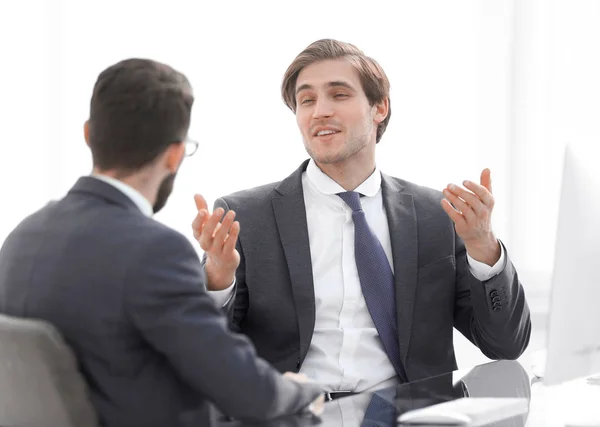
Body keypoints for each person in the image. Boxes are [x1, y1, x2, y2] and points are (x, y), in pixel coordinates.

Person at [192, 39, 531, 399]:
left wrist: (484, 249)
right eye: (306, 100)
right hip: (291, 416)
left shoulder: (436, 215)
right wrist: (217, 279)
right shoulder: (246, 216)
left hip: (408, 416)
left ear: (379, 108)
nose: (319, 111)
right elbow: (205, 356)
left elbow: (505, 345)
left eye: (338, 94)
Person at [0, 58, 323, 427]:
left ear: (89, 134)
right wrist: (304, 391)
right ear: (174, 154)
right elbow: (246, 390)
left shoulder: (20, 238)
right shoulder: (154, 250)